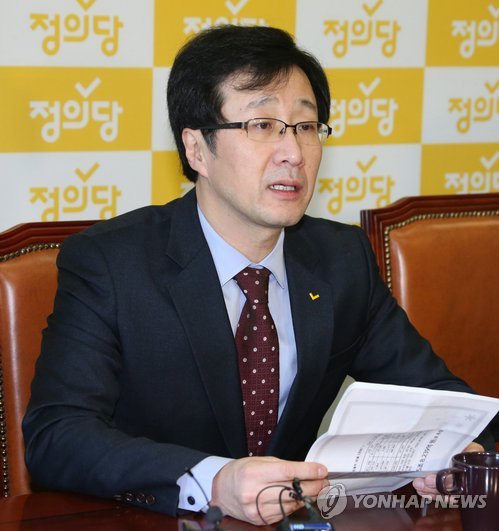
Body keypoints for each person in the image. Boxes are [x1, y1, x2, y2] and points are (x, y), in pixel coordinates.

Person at [23, 25, 493, 526]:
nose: (293, 152)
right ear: (196, 149)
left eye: (306, 126)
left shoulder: (340, 259)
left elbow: (448, 402)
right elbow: (57, 436)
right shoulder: (111, 263)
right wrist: (213, 479)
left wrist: (462, 450)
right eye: (263, 125)